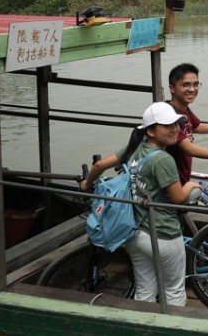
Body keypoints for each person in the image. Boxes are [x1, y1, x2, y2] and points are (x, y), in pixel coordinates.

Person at [80, 102, 201, 305]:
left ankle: (142, 330)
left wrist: (86, 184)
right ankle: (170, 333)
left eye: (177, 124)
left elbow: (100, 165)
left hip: (134, 232)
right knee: (173, 290)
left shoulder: (135, 148)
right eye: (167, 125)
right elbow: (179, 198)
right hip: (163, 234)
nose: (175, 130)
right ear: (151, 131)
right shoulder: (163, 160)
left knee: (145, 290)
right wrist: (191, 185)